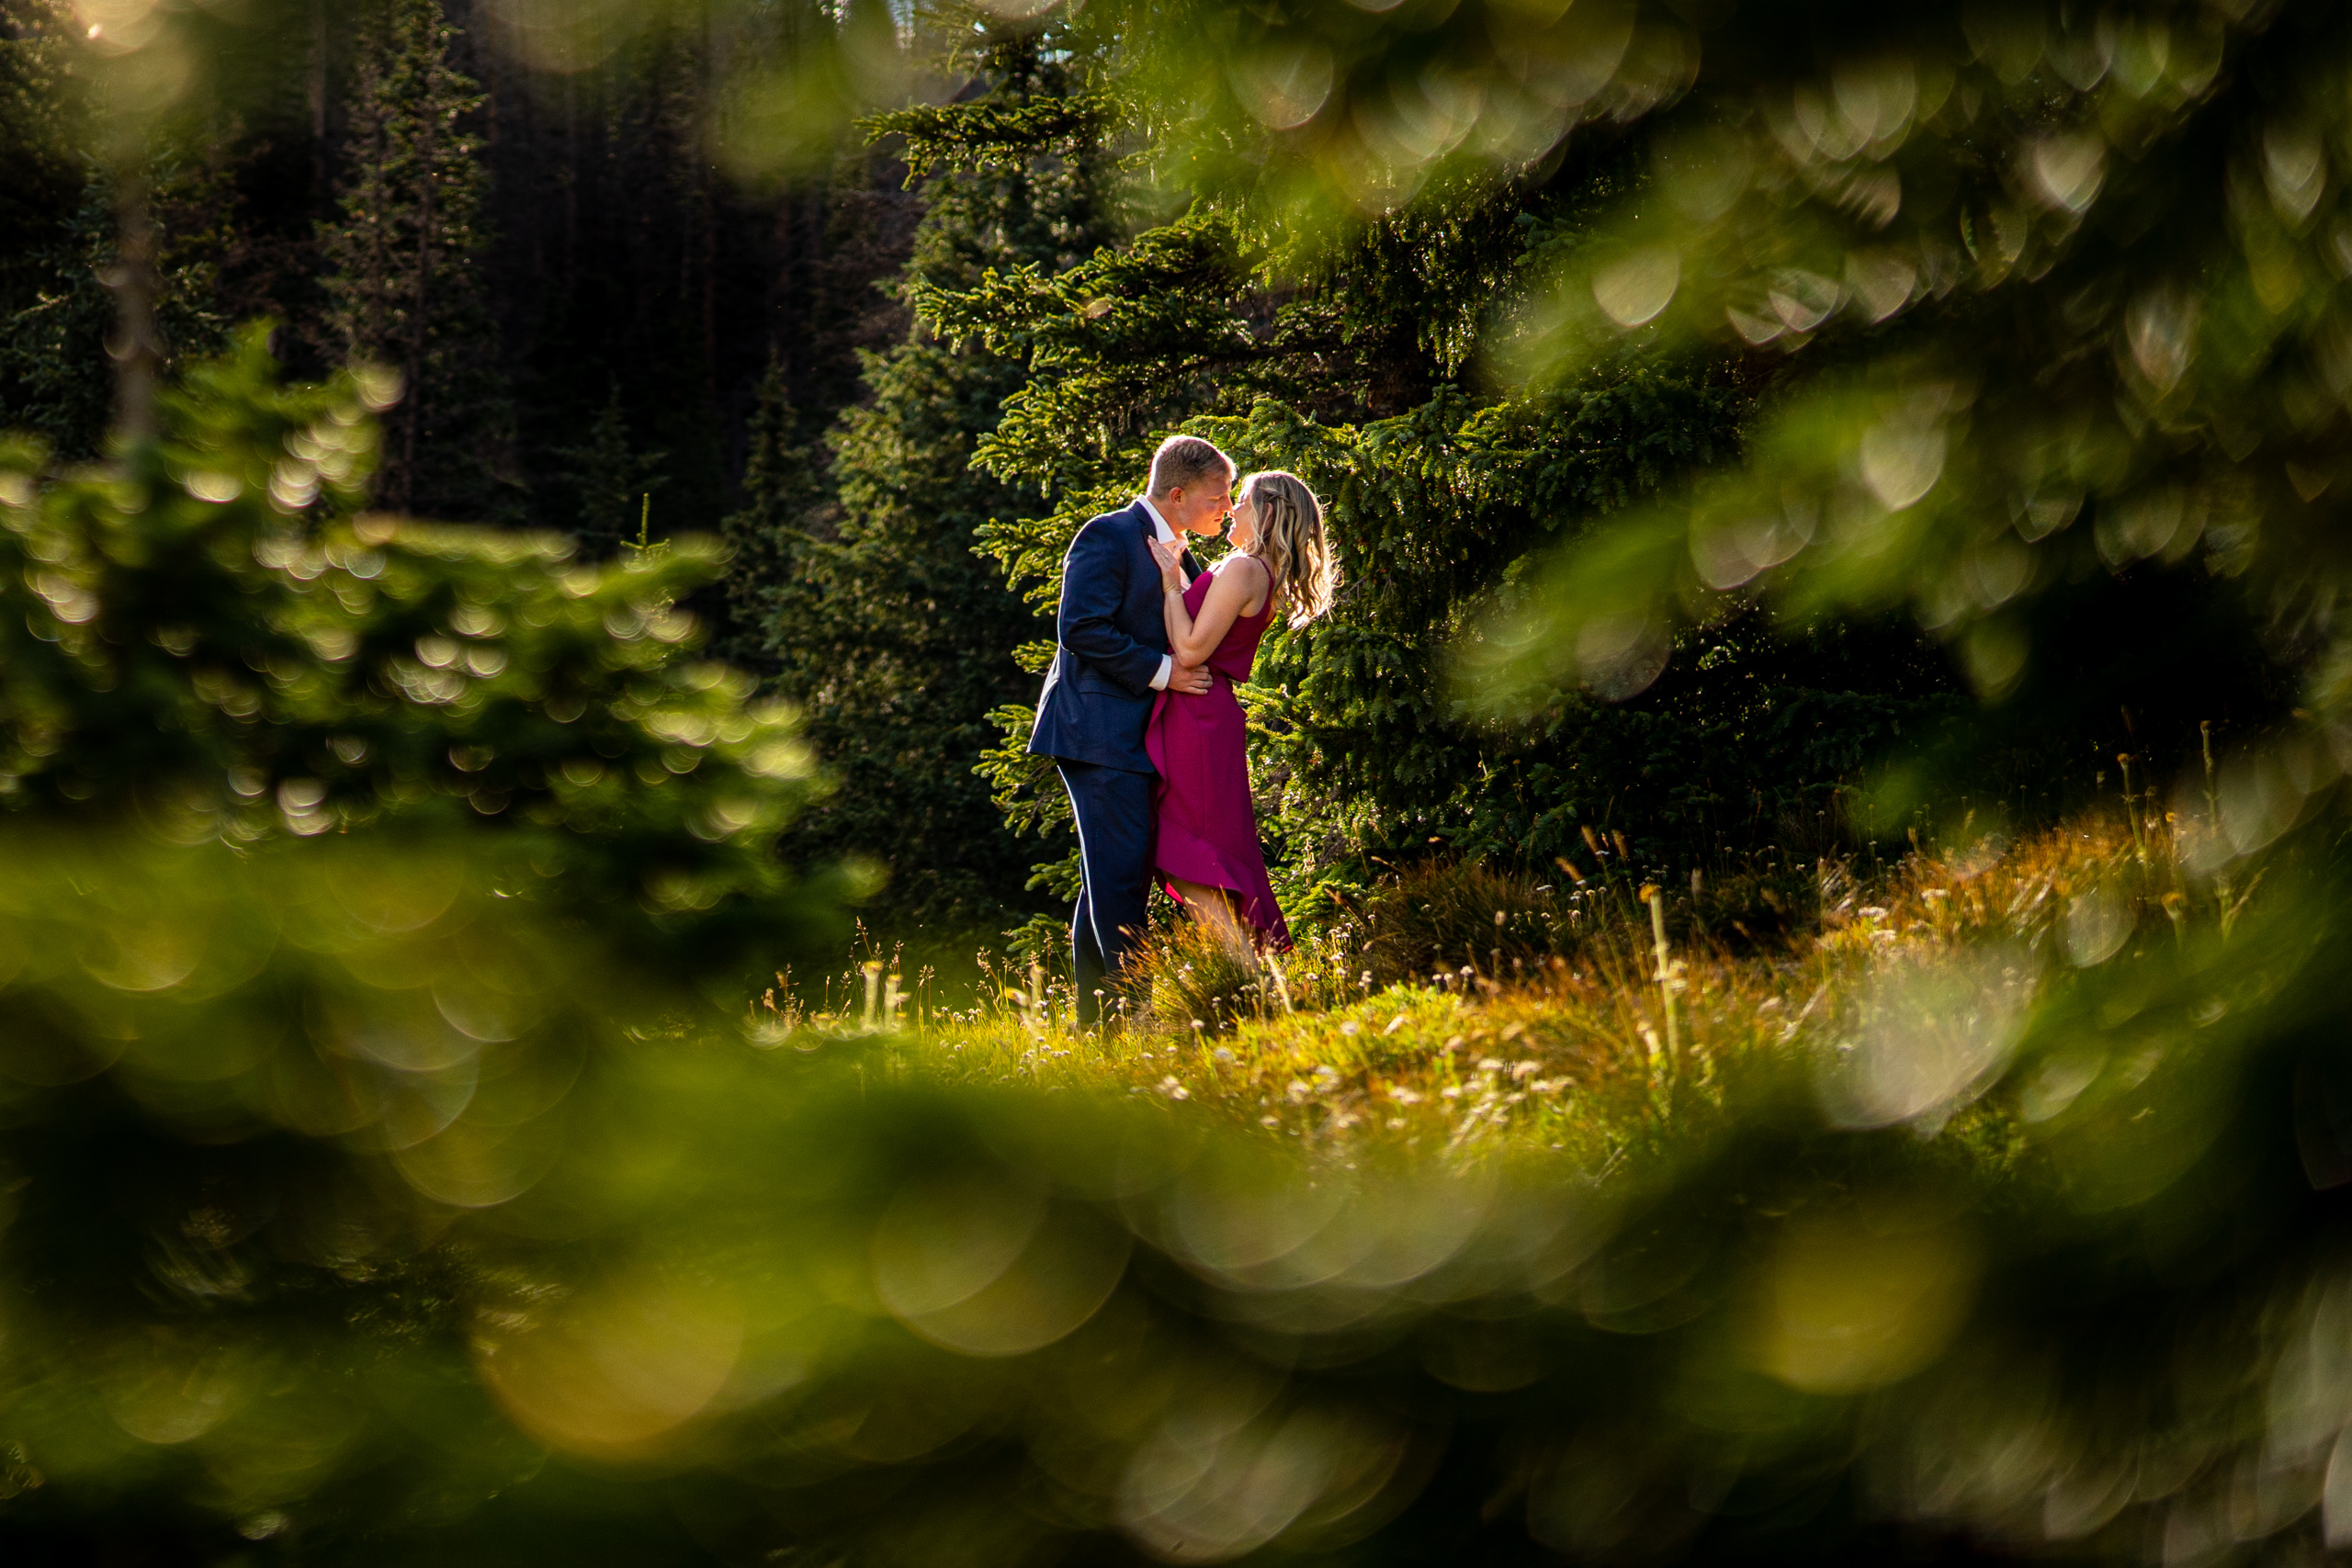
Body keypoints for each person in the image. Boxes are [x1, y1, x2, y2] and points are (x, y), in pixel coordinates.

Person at [1027, 435, 1229, 1026]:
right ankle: (1129, 1023)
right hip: (1096, 732)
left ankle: (1098, 1029)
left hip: (1140, 738)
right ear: (1177, 494)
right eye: (1217, 496)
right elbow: (1080, 628)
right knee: (1119, 882)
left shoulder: (1182, 555)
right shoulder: (1107, 535)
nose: (1226, 504)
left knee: (1114, 880)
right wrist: (1166, 673)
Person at [1145, 469, 1338, 956]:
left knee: (1185, 851)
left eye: (1244, 500)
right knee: (1193, 851)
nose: (1232, 508)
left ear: (1268, 512)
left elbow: (1189, 649)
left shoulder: (1244, 570)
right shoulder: (1255, 571)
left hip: (1198, 718)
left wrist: (1171, 584)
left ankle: (1244, 976)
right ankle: (1247, 975)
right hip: (1198, 713)